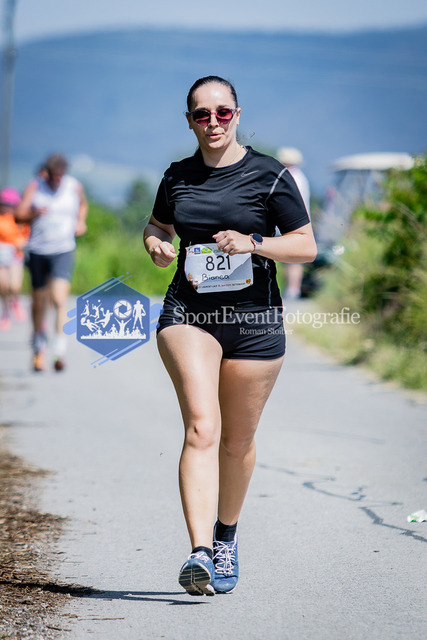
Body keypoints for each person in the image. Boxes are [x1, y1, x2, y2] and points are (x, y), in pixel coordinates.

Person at [143, 76, 316, 596]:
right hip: (189, 313)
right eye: (202, 114)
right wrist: (156, 243)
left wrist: (254, 242)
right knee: (202, 427)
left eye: (222, 112)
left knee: (237, 441)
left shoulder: (269, 174)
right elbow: (157, 225)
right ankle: (199, 553)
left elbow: (305, 246)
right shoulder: (177, 176)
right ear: (189, 121)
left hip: (255, 321)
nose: (213, 122)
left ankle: (225, 537)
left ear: (237, 115)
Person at [16, 153, 88, 371]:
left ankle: (59, 350)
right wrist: (33, 213)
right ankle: (39, 348)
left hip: (63, 249)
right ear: (46, 173)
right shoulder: (35, 186)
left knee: (58, 298)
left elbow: (83, 205)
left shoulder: (73, 186)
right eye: (53, 176)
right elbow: (18, 215)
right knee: (39, 301)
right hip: (38, 250)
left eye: (60, 175)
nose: (57, 180)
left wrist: (80, 222)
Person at [277, 147, 311, 300]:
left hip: (292, 222)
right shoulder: (300, 176)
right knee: (291, 258)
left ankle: (293, 289)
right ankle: (292, 288)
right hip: (299, 222)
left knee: (292, 259)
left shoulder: (291, 177)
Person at [0, 188, 28, 330]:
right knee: (4, 286)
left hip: (15, 256)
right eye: (4, 204)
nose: (6, 207)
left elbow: (26, 236)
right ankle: (5, 313)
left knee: (14, 286)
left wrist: (22, 242)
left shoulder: (19, 220)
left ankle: (16, 301)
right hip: (1, 256)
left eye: (9, 205)